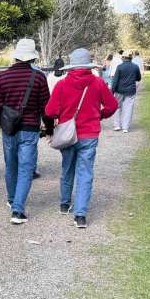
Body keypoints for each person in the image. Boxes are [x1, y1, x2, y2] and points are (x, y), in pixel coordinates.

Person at [45, 48, 119, 229]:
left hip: (67, 134)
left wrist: (62, 115)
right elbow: (112, 105)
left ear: (71, 66)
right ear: (88, 65)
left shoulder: (62, 85)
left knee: (67, 167)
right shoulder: (97, 83)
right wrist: (100, 115)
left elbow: (50, 111)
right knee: (85, 172)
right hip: (89, 133)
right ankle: (80, 215)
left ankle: (64, 203)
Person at [0, 38, 54, 225]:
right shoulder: (39, 77)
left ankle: (12, 199)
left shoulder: (2, 77)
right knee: (26, 168)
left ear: (16, 56)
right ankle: (18, 210)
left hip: (9, 129)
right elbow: (45, 107)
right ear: (32, 58)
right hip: (30, 129)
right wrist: (49, 128)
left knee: (11, 166)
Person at [111, 52, 142, 133]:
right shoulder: (135, 67)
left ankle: (117, 125)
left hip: (119, 91)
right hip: (131, 91)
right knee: (128, 109)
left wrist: (112, 92)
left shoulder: (120, 67)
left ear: (124, 58)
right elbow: (139, 78)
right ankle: (125, 128)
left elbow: (115, 80)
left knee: (117, 107)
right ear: (131, 58)